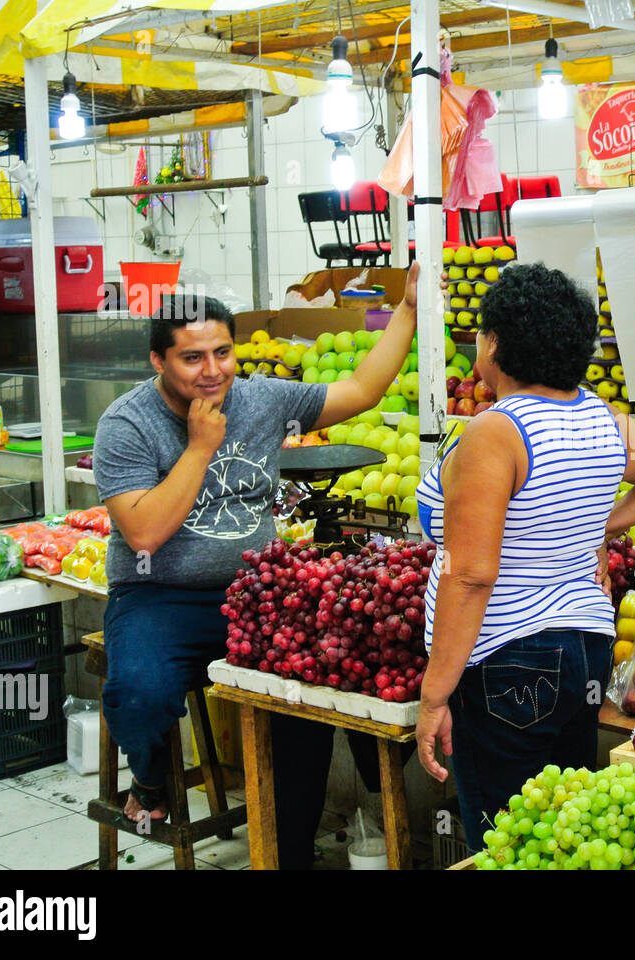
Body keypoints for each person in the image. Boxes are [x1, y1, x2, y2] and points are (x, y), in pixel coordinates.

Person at [93, 265, 421, 852]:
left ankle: (288, 852)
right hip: (157, 596)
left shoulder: (261, 399)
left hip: (257, 593)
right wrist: (200, 448)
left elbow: (361, 391)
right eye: (193, 358)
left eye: (223, 352)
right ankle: (149, 781)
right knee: (139, 697)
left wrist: (410, 310)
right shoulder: (125, 424)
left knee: (306, 701)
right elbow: (143, 534)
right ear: (157, 362)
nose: (214, 370)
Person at [412, 262, 635, 851]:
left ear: (495, 342)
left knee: (507, 843)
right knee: (564, 834)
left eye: (480, 334)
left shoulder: (495, 433)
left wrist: (433, 697)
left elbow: (470, 576)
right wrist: (599, 528)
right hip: (584, 653)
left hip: (507, 660)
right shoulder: (604, 418)